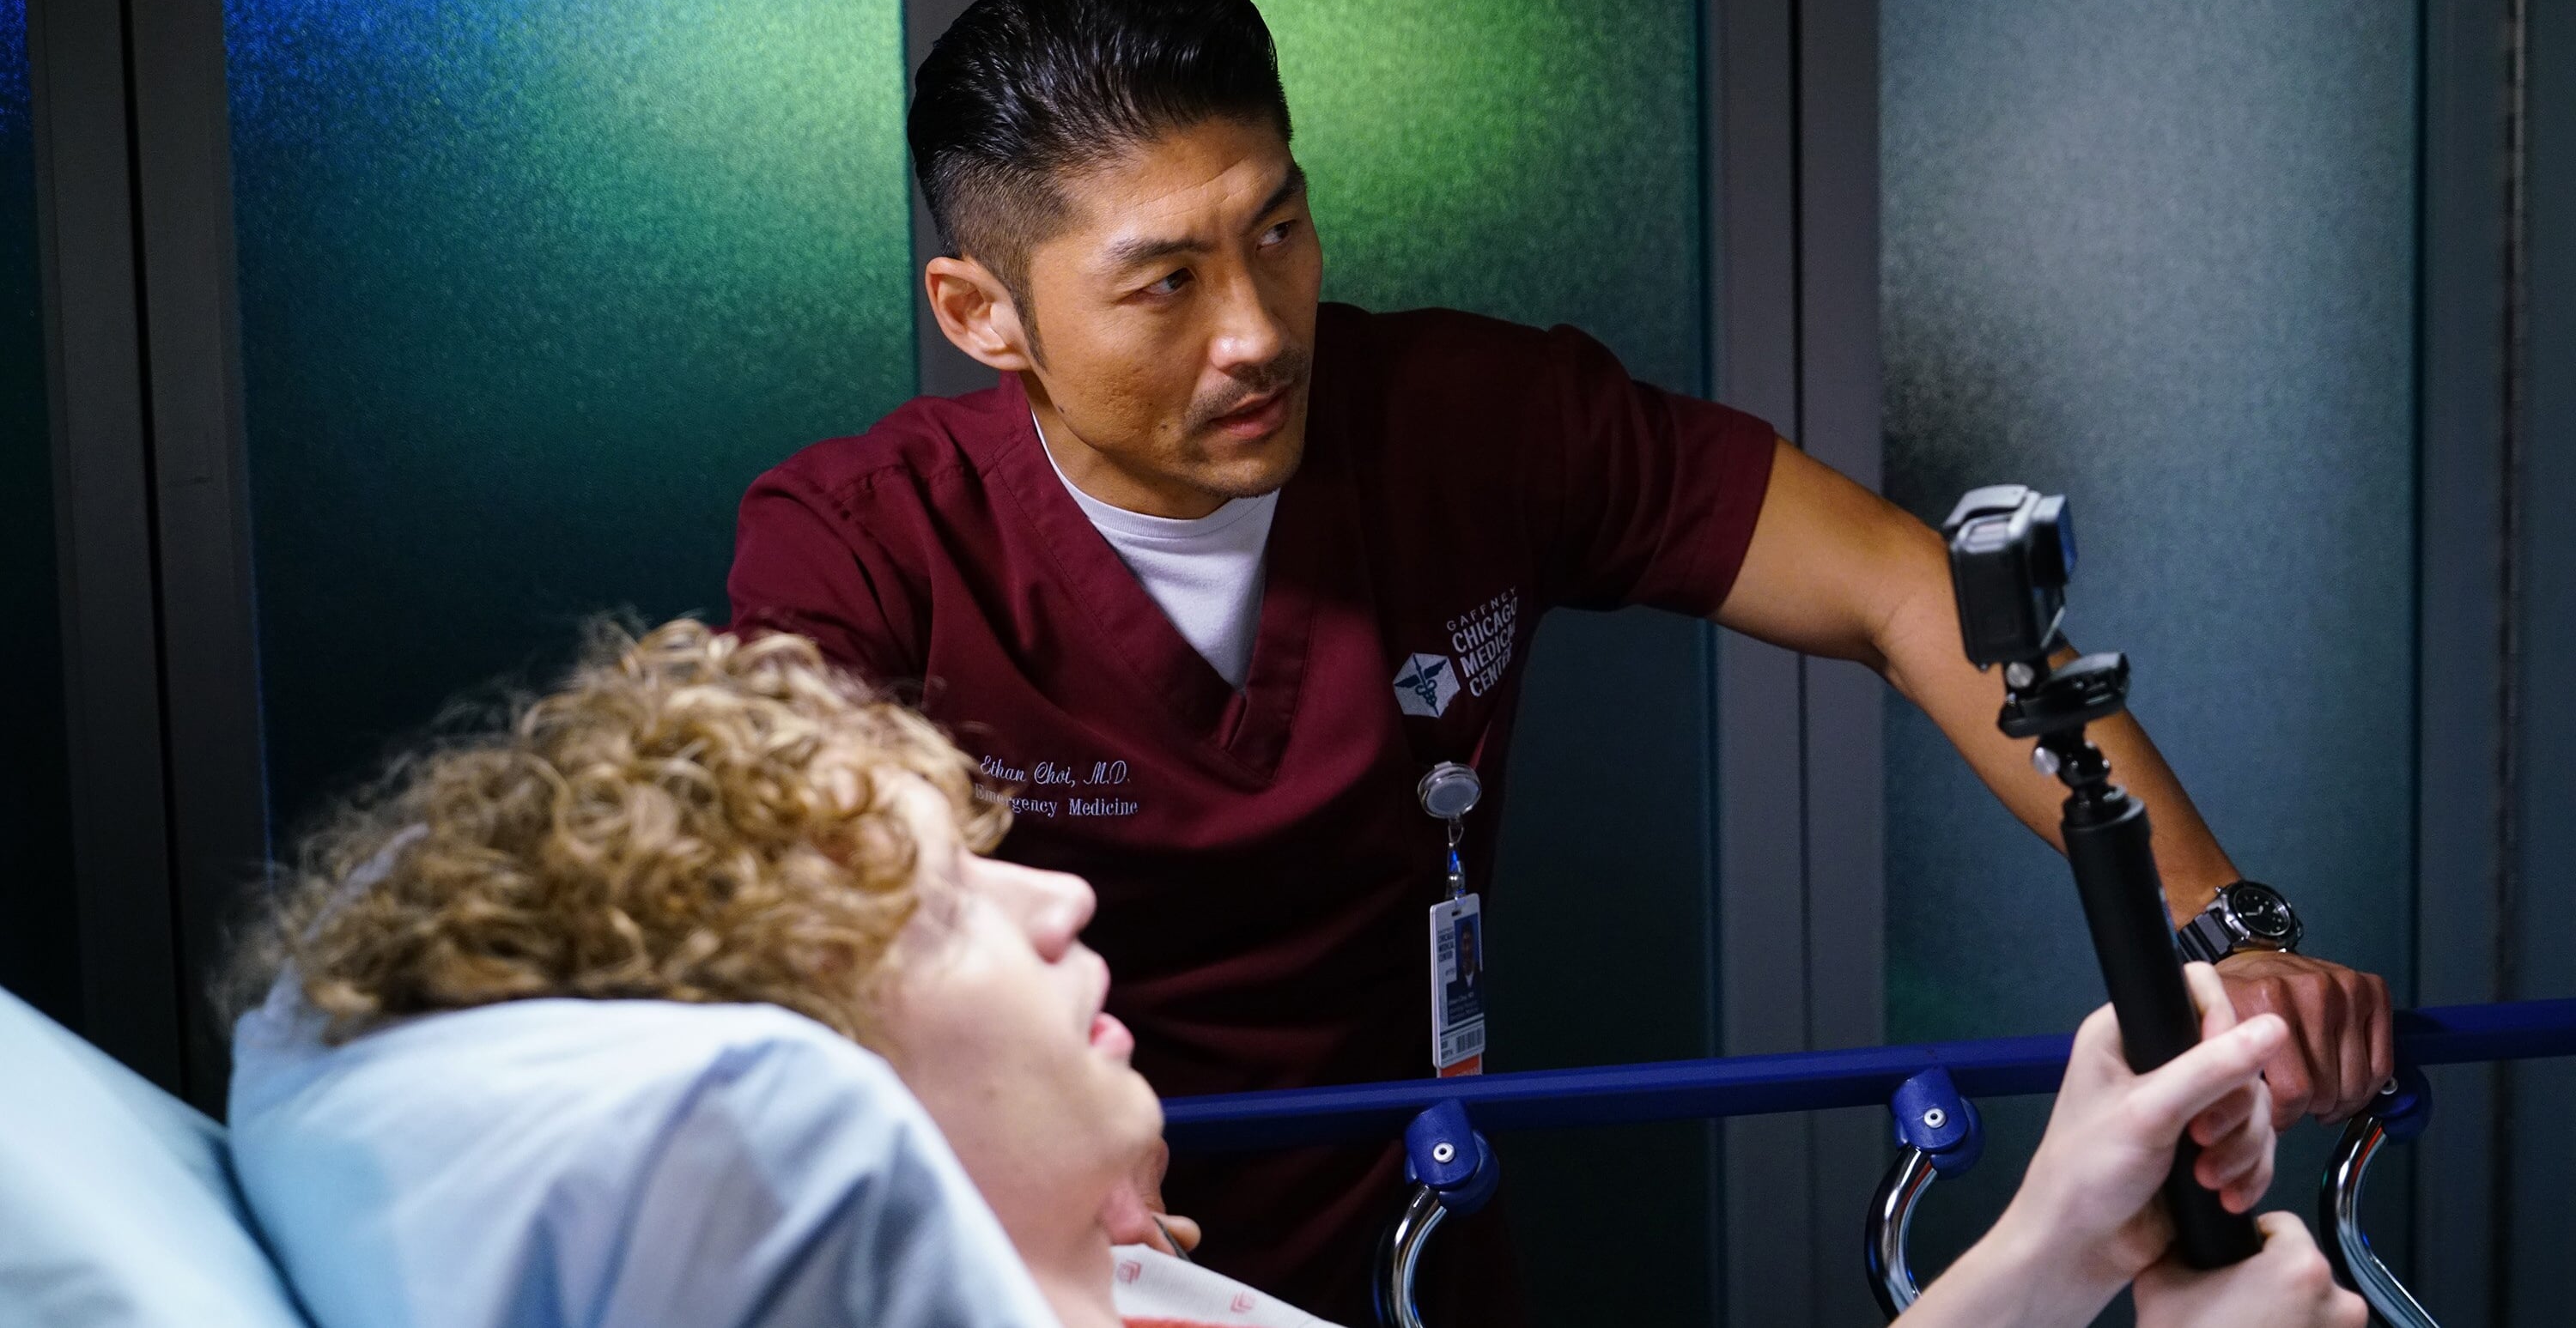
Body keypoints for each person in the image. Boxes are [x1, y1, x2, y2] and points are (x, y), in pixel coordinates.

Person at [726, 0, 2392, 1319]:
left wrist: (2222, 925)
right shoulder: (862, 543)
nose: (1256, 331)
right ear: (983, 314)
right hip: (1057, 1254)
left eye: (1279, 231)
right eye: (1165, 283)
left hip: (1415, 1229)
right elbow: (786, 931)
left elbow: (1904, 590)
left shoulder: (1470, 420)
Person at [228, 621, 2360, 1328]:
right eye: (945, 901)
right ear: (817, 1067)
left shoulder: (1133, 1297)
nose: (1062, 908)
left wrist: (2054, 1237)